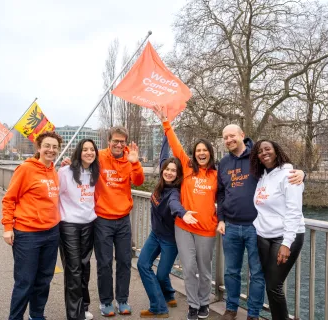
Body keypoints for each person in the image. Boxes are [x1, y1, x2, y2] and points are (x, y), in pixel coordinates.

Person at [216, 125, 304, 320]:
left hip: (256, 228)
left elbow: (281, 167)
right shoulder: (223, 163)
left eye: (232, 136)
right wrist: (220, 218)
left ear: (242, 136)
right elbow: (220, 193)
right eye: (225, 137)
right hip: (230, 225)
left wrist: (303, 174)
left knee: (257, 273)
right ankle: (231, 309)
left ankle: (253, 314)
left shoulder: (256, 156)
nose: (229, 140)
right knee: (231, 271)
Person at [63, 126, 144, 316]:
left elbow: (139, 181)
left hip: (123, 219)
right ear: (109, 141)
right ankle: (106, 302)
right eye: (115, 140)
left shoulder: (129, 158)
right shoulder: (99, 156)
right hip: (102, 219)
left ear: (125, 143)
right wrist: (69, 163)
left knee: (124, 261)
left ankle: (122, 299)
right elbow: (82, 162)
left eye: (122, 141)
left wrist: (136, 162)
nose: (118, 144)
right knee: (104, 263)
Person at [153, 106, 218, 320]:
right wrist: (166, 122)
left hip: (206, 229)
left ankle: (204, 303)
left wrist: (223, 218)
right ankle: (192, 304)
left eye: (204, 151)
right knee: (189, 268)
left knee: (204, 271)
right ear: (194, 154)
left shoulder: (216, 176)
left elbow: (228, 198)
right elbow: (174, 143)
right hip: (183, 227)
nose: (201, 153)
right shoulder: (188, 168)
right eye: (198, 150)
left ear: (210, 154)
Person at [1, 131, 63, 320]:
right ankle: (16, 317)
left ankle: (36, 315)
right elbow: (9, 199)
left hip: (51, 233)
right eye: (47, 146)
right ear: (39, 148)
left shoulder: (53, 170)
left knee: (44, 280)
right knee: (25, 281)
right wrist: (7, 227)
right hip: (28, 234)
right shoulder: (26, 169)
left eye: (54, 147)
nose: (51, 150)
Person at [250, 140, 305, 320]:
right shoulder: (262, 176)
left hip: (285, 236)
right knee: (270, 284)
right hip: (263, 236)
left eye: (268, 149)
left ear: (276, 150)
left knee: (274, 285)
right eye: (259, 151)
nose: (264, 153)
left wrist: (286, 243)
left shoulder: (289, 174)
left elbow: (294, 211)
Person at [137, 136, 188, 318]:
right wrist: (167, 134)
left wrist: (183, 213)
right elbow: (163, 154)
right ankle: (166, 298)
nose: (169, 172)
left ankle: (159, 307)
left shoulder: (174, 192)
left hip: (169, 240)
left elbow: (175, 204)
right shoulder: (161, 184)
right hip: (155, 235)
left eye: (173, 171)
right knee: (143, 264)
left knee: (160, 275)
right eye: (167, 169)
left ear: (178, 174)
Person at [58, 139, 99, 320]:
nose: (89, 152)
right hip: (69, 225)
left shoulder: (95, 172)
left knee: (84, 266)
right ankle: (74, 315)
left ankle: (83, 306)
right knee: (73, 268)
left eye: (92, 149)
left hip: (88, 224)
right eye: (85, 150)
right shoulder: (65, 172)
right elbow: (54, 195)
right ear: (78, 152)